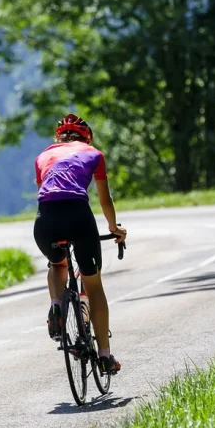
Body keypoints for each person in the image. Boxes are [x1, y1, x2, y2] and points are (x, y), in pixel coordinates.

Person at [33, 114, 127, 375]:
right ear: (87, 138)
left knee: (57, 263)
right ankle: (105, 356)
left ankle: (56, 305)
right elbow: (105, 201)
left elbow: (47, 195)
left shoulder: (42, 157)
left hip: (45, 221)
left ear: (58, 137)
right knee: (94, 285)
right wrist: (114, 228)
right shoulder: (93, 153)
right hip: (78, 216)